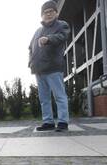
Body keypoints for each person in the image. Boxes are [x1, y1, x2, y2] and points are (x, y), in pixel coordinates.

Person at [29, 0, 71, 132]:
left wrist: (48, 39)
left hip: (53, 68)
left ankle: (63, 122)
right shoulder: (37, 31)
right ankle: (48, 122)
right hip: (39, 70)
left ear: (56, 13)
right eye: (45, 12)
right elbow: (30, 47)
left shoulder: (61, 25)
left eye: (51, 11)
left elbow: (62, 36)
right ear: (42, 15)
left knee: (59, 96)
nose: (48, 14)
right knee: (44, 98)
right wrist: (30, 63)